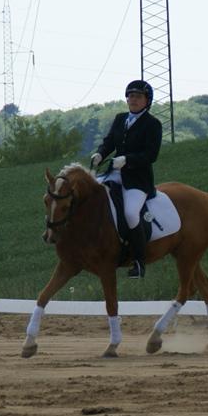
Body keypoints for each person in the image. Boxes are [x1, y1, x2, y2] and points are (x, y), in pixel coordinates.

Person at [90, 79, 163, 279]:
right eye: (130, 96)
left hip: (137, 179)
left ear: (147, 101)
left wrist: (128, 159)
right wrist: (100, 154)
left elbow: (151, 154)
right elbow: (109, 142)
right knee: (89, 197)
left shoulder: (153, 124)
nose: (133, 99)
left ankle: (139, 262)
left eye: (138, 96)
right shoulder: (120, 118)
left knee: (131, 213)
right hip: (113, 173)